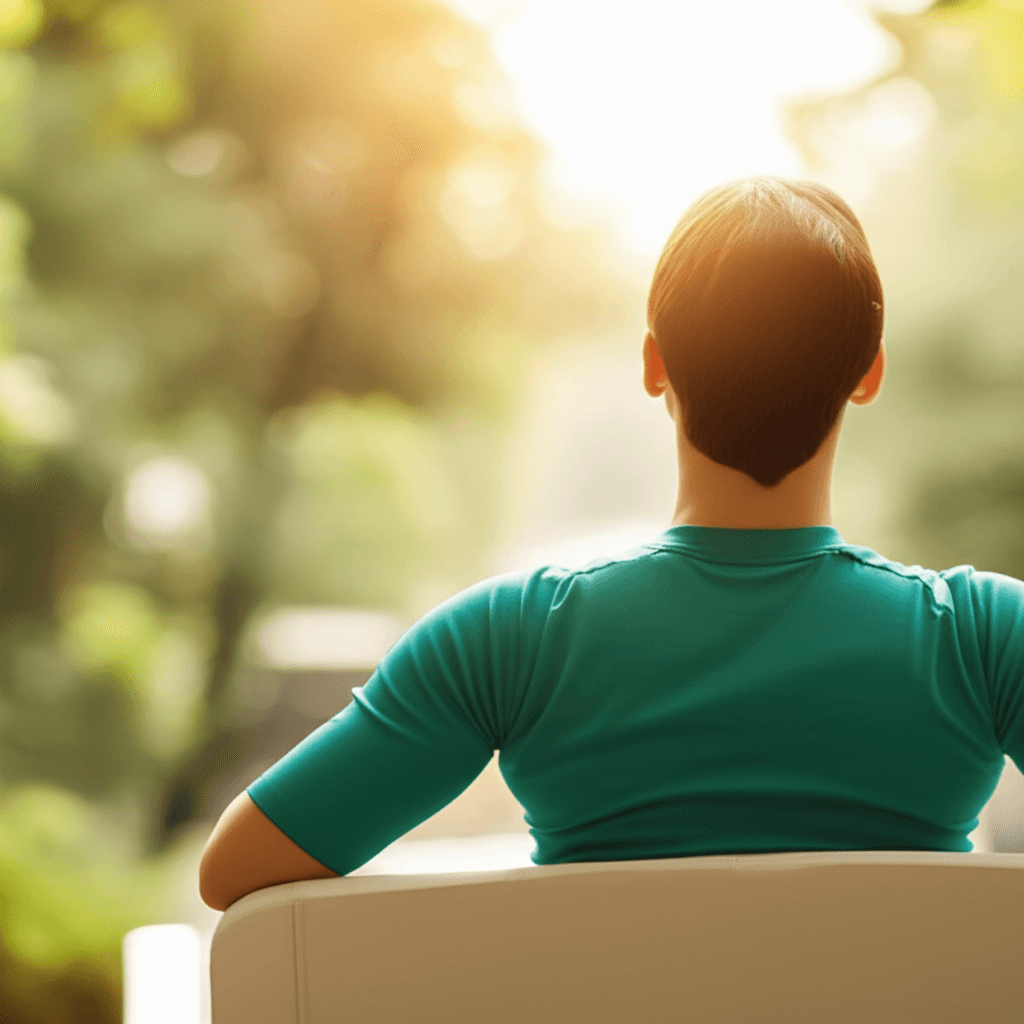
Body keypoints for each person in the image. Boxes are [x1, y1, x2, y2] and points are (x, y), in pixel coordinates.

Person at [199, 176, 1022, 912]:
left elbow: (234, 871)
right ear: (869, 373)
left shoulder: (504, 641)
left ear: (654, 364)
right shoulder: (989, 639)